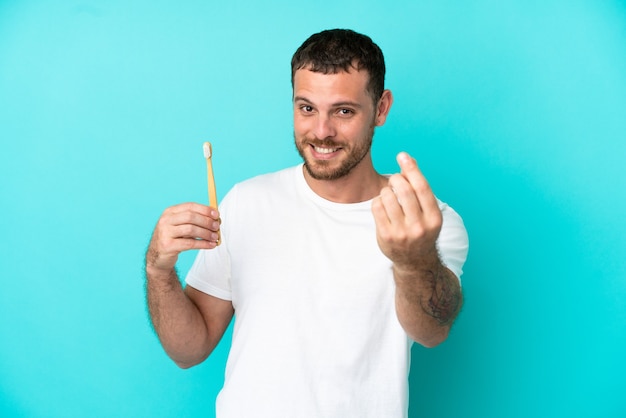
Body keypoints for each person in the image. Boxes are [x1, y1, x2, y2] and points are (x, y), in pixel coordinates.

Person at [145, 28, 469, 418]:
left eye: (343, 111)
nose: (321, 132)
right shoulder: (245, 202)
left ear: (381, 109)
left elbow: (431, 333)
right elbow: (188, 350)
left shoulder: (426, 223)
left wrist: (413, 259)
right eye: (307, 108)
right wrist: (158, 270)